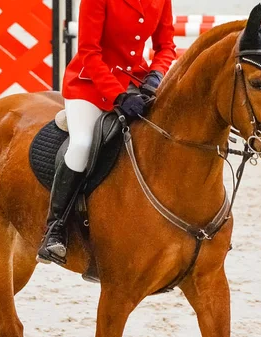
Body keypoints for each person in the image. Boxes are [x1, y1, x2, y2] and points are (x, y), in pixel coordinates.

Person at [37, 0, 176, 264]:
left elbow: (166, 46)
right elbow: (89, 52)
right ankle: (55, 229)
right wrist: (118, 95)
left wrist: (155, 76)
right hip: (90, 85)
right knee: (82, 145)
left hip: (136, 83)